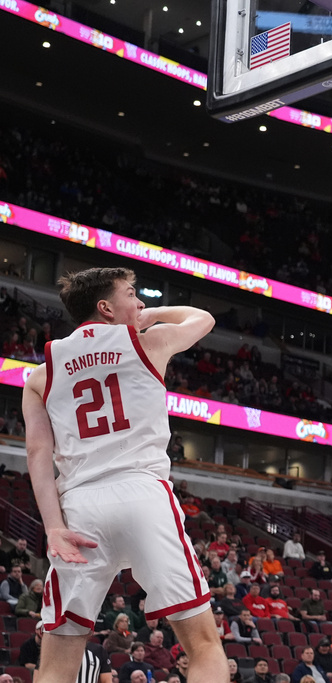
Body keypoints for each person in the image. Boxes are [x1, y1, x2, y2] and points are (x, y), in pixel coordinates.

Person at [22, 267, 227, 683]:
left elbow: (38, 453)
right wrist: (153, 316)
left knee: (57, 665)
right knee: (204, 647)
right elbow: (203, 319)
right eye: (133, 295)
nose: (140, 304)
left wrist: (54, 527)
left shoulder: (41, 374)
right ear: (106, 308)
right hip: (142, 495)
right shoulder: (148, 342)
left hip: (79, 507)